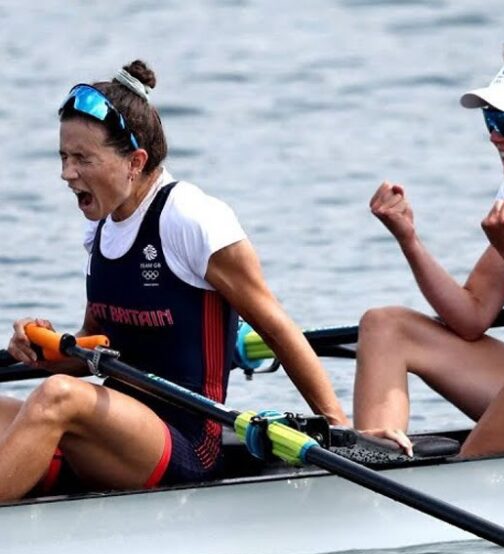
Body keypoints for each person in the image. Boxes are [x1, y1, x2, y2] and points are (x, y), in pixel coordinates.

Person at [1, 59, 349, 502]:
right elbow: (96, 341)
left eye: (83, 159)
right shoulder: (101, 225)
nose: (66, 173)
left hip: (188, 442)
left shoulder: (192, 219)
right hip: (122, 431)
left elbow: (276, 327)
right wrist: (41, 349)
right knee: (38, 397)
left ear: (135, 161)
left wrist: (336, 426)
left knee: (57, 398)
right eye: (64, 157)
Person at [354, 45, 504, 459]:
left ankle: (461, 484)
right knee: (386, 326)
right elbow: (471, 317)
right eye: (490, 118)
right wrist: (408, 239)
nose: (494, 134)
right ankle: (375, 462)